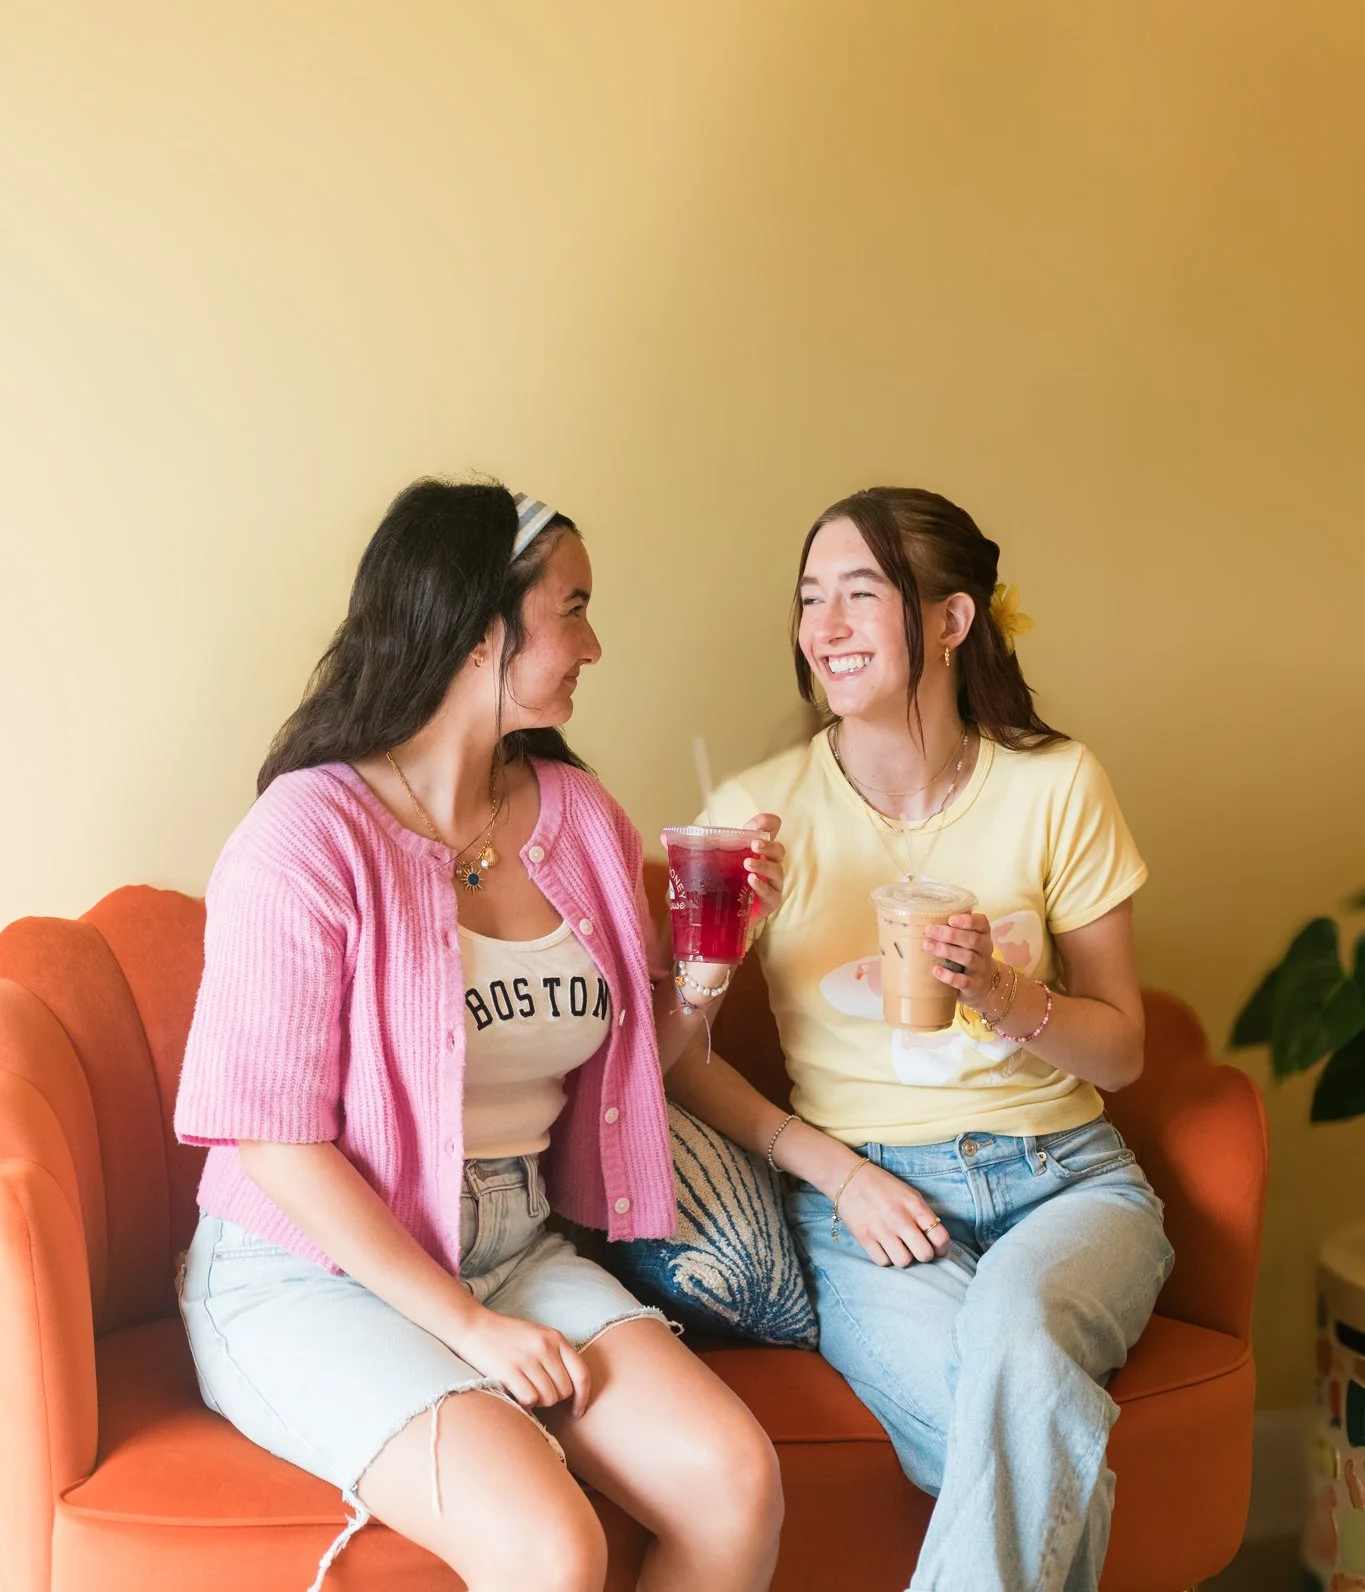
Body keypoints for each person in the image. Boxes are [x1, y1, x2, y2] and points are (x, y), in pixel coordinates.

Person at [174, 480, 785, 1592]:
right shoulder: (304, 838)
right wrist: (465, 1325)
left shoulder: (581, 817)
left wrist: (714, 958)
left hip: (513, 1238)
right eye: (574, 606)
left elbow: (652, 1052)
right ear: (475, 629)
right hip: (309, 1269)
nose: (596, 642)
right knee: (551, 1547)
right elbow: (274, 1143)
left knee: (733, 1478)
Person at [667, 486, 1173, 1592]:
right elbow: (674, 1056)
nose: (825, 627)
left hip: (1069, 1182)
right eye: (810, 598)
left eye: (861, 593)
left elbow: (1124, 1047)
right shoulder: (761, 809)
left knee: (1020, 1342)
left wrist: (1003, 992)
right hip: (868, 1210)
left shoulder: (1057, 785)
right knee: (1029, 1425)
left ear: (951, 620)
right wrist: (836, 1171)